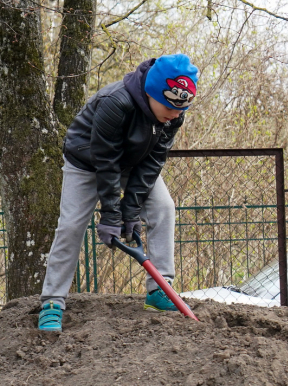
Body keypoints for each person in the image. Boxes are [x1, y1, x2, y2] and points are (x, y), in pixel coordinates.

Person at [38, 54, 198, 332]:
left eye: (181, 108)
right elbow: (106, 161)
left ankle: (160, 290)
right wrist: (112, 215)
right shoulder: (115, 102)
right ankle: (52, 301)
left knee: (163, 208)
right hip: (87, 160)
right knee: (71, 225)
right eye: (169, 107)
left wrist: (131, 210)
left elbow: (153, 163)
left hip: (132, 162)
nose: (175, 114)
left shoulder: (174, 114)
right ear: (151, 92)